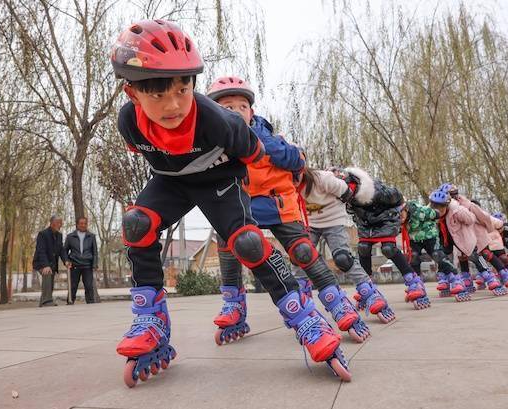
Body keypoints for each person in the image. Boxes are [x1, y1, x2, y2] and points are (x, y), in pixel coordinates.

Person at [110, 21, 350, 387]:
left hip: (220, 181)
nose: (173, 105)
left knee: (246, 242)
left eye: (182, 88)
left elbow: (254, 156)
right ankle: (151, 318)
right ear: (132, 93)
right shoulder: (129, 123)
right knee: (137, 224)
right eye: (157, 95)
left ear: (192, 82)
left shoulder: (221, 122)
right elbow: (158, 161)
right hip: (171, 181)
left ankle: (305, 318)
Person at [207, 77, 369, 343]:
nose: (235, 112)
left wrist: (261, 143)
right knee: (227, 243)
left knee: (304, 252)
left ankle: (336, 301)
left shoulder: (267, 138)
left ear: (252, 113)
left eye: (241, 107)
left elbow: (298, 159)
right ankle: (234, 304)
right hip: (240, 204)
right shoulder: (212, 145)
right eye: (227, 108)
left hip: (277, 204)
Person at [297, 166, 396, 323]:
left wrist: (340, 180)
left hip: (334, 221)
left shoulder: (322, 179)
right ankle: (302, 297)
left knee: (342, 258)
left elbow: (347, 193)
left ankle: (369, 291)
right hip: (310, 223)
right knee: (300, 255)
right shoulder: (284, 184)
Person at [341, 167, 431, 310]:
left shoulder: (377, 190)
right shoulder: (344, 194)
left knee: (388, 248)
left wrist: (402, 210)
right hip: (366, 222)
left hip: (386, 218)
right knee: (363, 248)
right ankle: (366, 285)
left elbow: (397, 196)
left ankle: (413, 282)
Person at [400, 200, 471, 302]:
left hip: (430, 236)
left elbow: (436, 214)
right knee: (413, 258)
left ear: (406, 209)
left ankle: (456, 279)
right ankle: (416, 285)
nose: (399, 218)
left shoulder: (419, 210)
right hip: (413, 239)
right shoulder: (394, 217)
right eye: (396, 215)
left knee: (438, 256)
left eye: (400, 214)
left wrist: (435, 214)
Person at [32, 215, 68, 307]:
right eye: (59, 223)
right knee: (47, 273)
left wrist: (66, 261)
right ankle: (47, 301)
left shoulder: (59, 235)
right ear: (52, 223)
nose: (60, 225)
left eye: (61, 223)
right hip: (41, 263)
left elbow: (61, 250)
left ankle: (42, 303)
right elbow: (41, 251)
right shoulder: (43, 234)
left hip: (52, 264)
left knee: (49, 284)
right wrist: (45, 265)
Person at [64, 217, 98, 304]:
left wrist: (94, 264)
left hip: (87, 265)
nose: (83, 225)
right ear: (77, 224)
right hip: (74, 264)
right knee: (73, 285)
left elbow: (95, 252)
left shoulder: (91, 236)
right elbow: (64, 251)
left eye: (85, 223)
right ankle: (70, 301)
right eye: (81, 223)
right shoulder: (70, 237)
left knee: (89, 286)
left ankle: (90, 302)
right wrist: (66, 261)